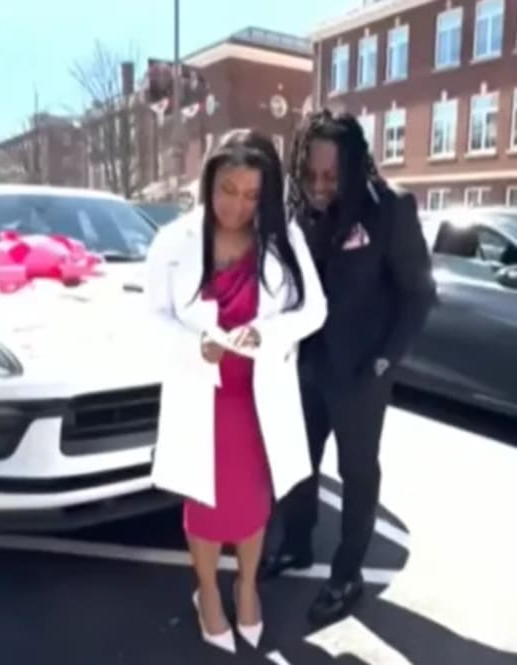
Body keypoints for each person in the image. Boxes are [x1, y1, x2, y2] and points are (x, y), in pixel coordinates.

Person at [146, 129, 327, 654]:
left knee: (251, 503)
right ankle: (207, 590)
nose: (237, 206)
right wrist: (194, 345)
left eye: (251, 195)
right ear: (209, 181)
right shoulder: (174, 241)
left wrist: (267, 333)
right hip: (201, 395)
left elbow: (314, 310)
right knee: (204, 501)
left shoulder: (283, 238)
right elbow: (152, 317)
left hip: (258, 397)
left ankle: (247, 586)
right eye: (228, 190)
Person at [259, 109, 435, 626]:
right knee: (297, 463)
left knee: (357, 472)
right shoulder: (296, 209)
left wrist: (383, 361)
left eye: (331, 177)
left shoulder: (390, 209)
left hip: (361, 371)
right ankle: (296, 544)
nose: (319, 187)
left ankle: (347, 574)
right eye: (310, 174)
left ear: (354, 167)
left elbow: (419, 294)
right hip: (305, 364)